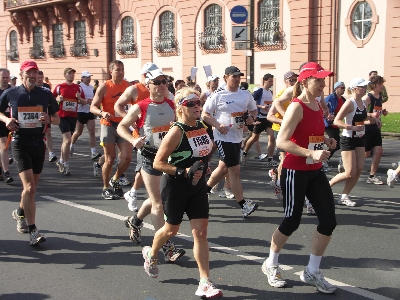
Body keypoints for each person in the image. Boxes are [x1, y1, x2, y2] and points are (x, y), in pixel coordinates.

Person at [262, 62, 337, 294]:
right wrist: (310, 152)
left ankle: (312, 271)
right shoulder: (296, 106)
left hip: (314, 170)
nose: (323, 84)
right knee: (291, 221)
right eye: (319, 80)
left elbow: (309, 131)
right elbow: (283, 141)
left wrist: (324, 140)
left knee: (328, 221)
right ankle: (271, 263)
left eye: (324, 80)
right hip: (295, 171)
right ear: (304, 81)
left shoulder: (316, 104)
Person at [142, 87, 223, 298]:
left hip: (197, 187)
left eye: (198, 103)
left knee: (201, 232)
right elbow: (158, 163)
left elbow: (205, 149)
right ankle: (151, 254)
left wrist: (205, 166)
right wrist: (183, 171)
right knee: (171, 231)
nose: (197, 107)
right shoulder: (176, 131)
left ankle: (205, 282)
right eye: (191, 104)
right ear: (180, 108)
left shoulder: (202, 125)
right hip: (176, 186)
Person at [118, 68, 186, 262]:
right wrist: (133, 140)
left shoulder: (172, 104)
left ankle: (135, 220)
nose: (163, 85)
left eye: (165, 81)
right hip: (148, 156)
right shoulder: (141, 106)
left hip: (168, 157)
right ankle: (166, 246)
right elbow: (121, 126)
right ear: (148, 85)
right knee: (158, 202)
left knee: (159, 197)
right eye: (158, 82)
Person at [0, 60, 59, 245]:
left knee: (31, 189)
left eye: (35, 73)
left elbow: (57, 118)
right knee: (29, 188)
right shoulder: (11, 93)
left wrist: (49, 118)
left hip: (38, 143)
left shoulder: (45, 94)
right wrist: (5, 120)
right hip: (19, 143)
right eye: (29, 73)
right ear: (22, 74)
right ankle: (33, 231)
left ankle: (19, 213)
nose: (33, 76)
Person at [202, 66, 259, 217]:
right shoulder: (218, 95)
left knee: (222, 169)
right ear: (226, 77)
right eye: (234, 76)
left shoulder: (245, 94)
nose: (237, 78)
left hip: (237, 137)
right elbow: (205, 114)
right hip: (223, 137)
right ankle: (243, 205)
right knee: (234, 170)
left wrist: (251, 118)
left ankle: (202, 192)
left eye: (239, 76)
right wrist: (218, 126)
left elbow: (254, 110)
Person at [114, 62, 161, 211]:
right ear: (146, 75)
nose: (159, 82)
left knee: (151, 165)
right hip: (140, 134)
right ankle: (136, 194)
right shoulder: (133, 89)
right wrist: (129, 119)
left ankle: (135, 193)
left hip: (158, 132)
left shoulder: (160, 89)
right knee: (145, 165)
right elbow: (118, 105)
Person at [329, 78, 379, 206]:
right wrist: (351, 127)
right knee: (349, 172)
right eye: (362, 87)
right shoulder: (349, 103)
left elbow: (363, 118)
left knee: (359, 169)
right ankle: (326, 186)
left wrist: (373, 119)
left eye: (365, 86)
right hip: (348, 139)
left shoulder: (363, 102)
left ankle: (344, 196)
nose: (365, 89)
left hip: (360, 138)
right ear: (355, 89)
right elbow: (337, 121)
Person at [90, 60, 132, 200]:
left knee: (126, 157)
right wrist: (102, 113)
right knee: (110, 158)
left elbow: (135, 104)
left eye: (122, 69)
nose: (120, 72)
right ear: (111, 72)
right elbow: (93, 107)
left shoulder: (128, 86)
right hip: (108, 124)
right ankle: (106, 187)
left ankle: (116, 179)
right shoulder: (105, 86)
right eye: (117, 70)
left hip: (123, 125)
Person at [267, 71, 298, 202]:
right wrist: (286, 120)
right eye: (291, 80)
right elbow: (270, 116)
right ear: (285, 81)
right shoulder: (281, 95)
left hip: (295, 131)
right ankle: (280, 184)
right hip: (281, 130)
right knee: (284, 159)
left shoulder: (299, 94)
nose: (293, 82)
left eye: (295, 80)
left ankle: (275, 173)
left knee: (294, 159)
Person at [53, 67, 86, 175]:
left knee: (66, 141)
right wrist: (57, 100)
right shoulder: (59, 87)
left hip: (73, 116)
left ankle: (61, 161)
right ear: (65, 75)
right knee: (67, 140)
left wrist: (79, 98)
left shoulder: (78, 88)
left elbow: (84, 102)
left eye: (73, 74)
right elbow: (51, 99)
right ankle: (66, 164)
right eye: (69, 73)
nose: (71, 75)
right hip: (62, 117)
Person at [242, 73, 278, 165]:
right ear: (265, 81)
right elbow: (251, 103)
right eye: (270, 81)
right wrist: (261, 107)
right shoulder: (259, 91)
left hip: (267, 118)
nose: (271, 83)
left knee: (272, 137)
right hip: (259, 118)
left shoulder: (270, 92)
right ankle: (244, 153)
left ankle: (270, 159)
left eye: (272, 81)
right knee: (254, 138)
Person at [363, 75, 388, 185]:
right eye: (379, 84)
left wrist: (383, 113)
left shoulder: (380, 97)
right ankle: (346, 163)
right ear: (373, 85)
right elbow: (360, 112)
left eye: (382, 83)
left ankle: (372, 176)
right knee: (366, 153)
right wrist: (371, 114)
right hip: (366, 128)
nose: (381, 86)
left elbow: (377, 111)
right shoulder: (368, 98)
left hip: (375, 128)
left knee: (378, 151)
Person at [70, 71, 101, 160]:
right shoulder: (79, 87)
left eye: (89, 77)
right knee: (78, 132)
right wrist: (85, 101)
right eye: (87, 77)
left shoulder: (92, 87)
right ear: (82, 78)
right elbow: (77, 100)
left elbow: (95, 98)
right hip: (81, 111)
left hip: (89, 111)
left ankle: (93, 151)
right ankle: (71, 145)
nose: (89, 78)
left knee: (92, 131)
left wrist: (93, 102)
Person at [323, 81, 346, 171]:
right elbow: (322, 108)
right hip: (328, 124)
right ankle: (323, 160)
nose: (344, 90)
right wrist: (328, 115)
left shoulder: (343, 99)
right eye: (342, 88)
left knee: (337, 144)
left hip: (335, 124)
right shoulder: (330, 98)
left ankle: (324, 160)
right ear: (336, 88)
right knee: (336, 144)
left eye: (344, 88)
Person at [37, 70, 57, 162]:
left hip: (45, 114)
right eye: (38, 78)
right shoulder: (29, 90)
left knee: (48, 133)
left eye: (41, 78)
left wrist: (50, 118)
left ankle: (51, 153)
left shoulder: (46, 89)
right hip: (34, 117)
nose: (40, 79)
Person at [0, 68, 14, 183]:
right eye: (3, 77)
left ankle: (3, 169)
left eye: (7, 77)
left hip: (10, 120)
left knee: (5, 146)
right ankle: (6, 172)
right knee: (4, 144)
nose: (5, 80)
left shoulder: (12, 90)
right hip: (0, 119)